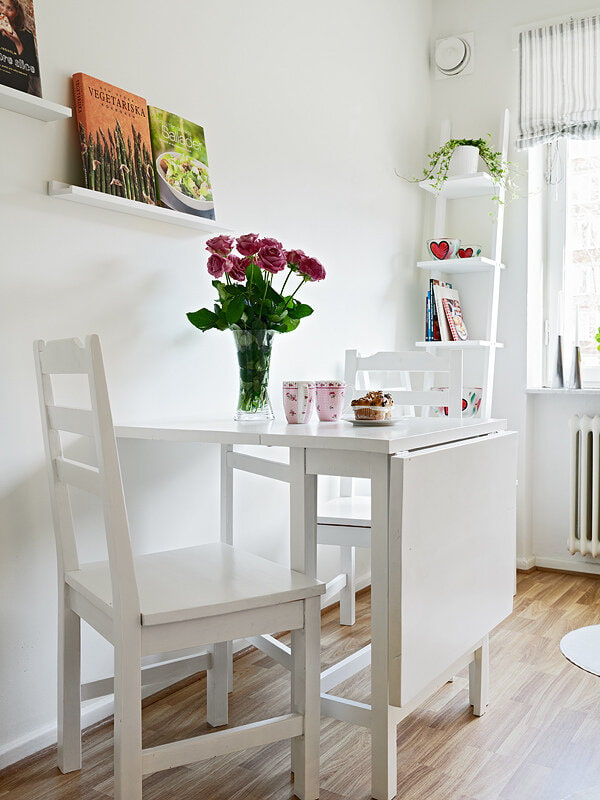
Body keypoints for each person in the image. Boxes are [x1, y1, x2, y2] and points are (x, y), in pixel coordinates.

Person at [0, 0, 40, 96]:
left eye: (9, 8)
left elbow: (31, 70)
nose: (3, 11)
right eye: (1, 3)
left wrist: (17, 42)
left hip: (17, 92)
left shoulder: (26, 35)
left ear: (17, 13)